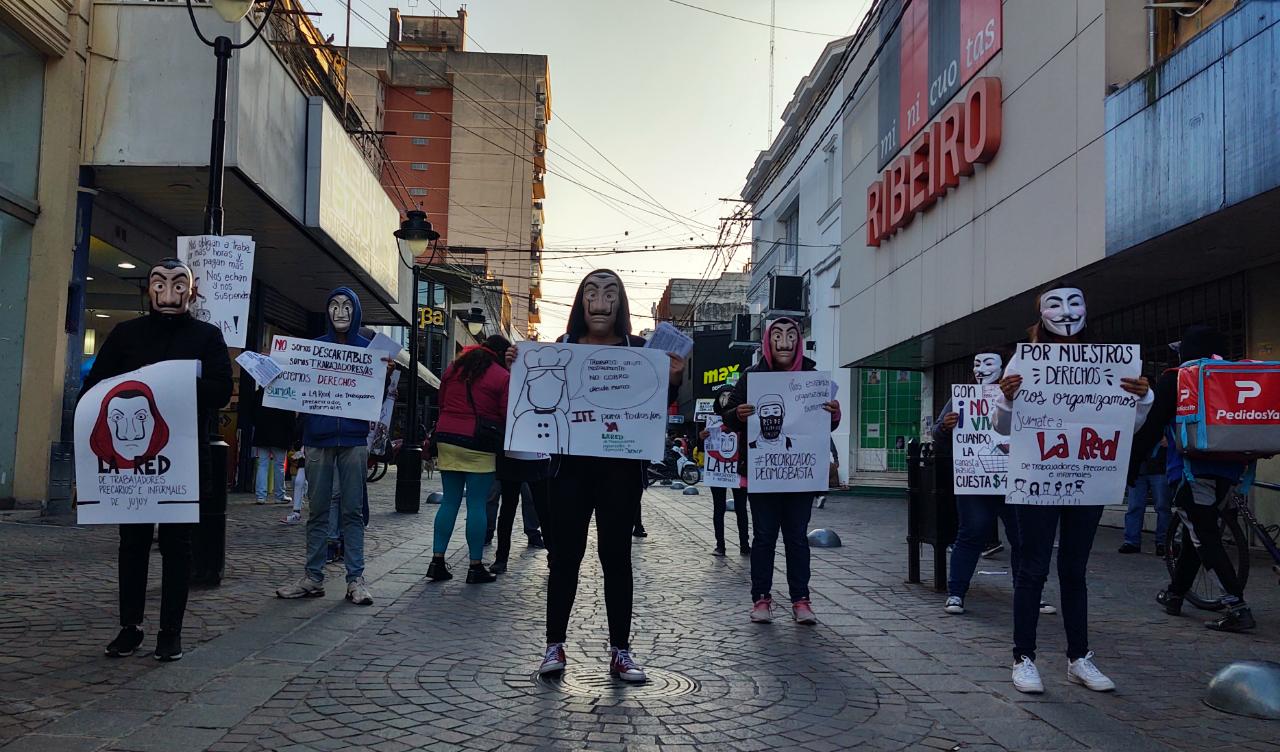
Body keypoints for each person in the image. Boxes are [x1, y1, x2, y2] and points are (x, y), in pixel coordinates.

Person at [996, 283, 1150, 694]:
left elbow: (1126, 427)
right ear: (1042, 313)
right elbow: (1004, 428)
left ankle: (1078, 658)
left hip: (1086, 478)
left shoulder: (1109, 363)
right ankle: (1023, 657)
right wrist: (1007, 401)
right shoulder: (1023, 361)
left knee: (1075, 571)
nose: (1066, 311)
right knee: (1032, 569)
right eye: (1056, 304)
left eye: (1075, 301)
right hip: (1039, 479)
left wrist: (1145, 397)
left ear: (1087, 308)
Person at [535, 269, 684, 683]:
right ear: (581, 302)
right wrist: (518, 364)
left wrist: (674, 377)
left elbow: (659, 401)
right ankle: (554, 644)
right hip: (568, 471)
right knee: (565, 558)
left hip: (620, 472)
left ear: (621, 303)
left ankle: (621, 650)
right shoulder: (562, 347)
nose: (601, 301)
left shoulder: (642, 350)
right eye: (592, 292)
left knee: (616, 558)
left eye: (610, 292)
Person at [88, 258, 234, 662]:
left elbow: (222, 390)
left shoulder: (207, 336)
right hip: (131, 463)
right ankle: (130, 627)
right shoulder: (124, 334)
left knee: (177, 546)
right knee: (132, 543)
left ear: (192, 290)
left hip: (183, 458)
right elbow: (94, 387)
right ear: (148, 289)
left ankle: (171, 631)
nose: (169, 293)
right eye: (159, 283)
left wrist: (177, 382)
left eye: (178, 284)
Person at [1132, 326, 1256, 632]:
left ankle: (1236, 606)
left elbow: (1151, 427)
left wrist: (1131, 465)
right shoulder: (1231, 379)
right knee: (1196, 535)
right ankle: (1175, 594)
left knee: (1203, 536)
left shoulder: (1177, 378)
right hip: (1231, 472)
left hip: (1191, 472)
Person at [720, 317, 840, 626]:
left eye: (790, 336)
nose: (784, 342)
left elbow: (824, 424)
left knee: (797, 538)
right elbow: (729, 415)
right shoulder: (751, 377)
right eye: (777, 335)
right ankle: (761, 598)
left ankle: (801, 600)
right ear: (768, 342)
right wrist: (739, 413)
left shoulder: (812, 378)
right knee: (764, 537)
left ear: (799, 341)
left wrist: (835, 415)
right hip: (762, 474)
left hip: (800, 475)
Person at [275, 287, 383, 606]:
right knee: (318, 509)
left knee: (352, 510)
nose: (339, 312)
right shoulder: (313, 349)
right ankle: (313, 577)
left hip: (352, 439)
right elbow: (291, 387)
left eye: (346, 306)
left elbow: (378, 398)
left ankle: (356, 579)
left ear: (356, 312)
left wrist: (384, 374)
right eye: (333, 306)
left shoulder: (370, 352)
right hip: (318, 439)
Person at [934, 350, 1057, 616]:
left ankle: (1029, 594)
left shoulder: (1023, 394)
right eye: (976, 363)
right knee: (970, 534)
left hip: (1015, 479)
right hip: (976, 480)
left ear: (1003, 368)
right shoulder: (962, 398)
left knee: (1022, 539)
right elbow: (937, 432)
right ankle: (956, 593)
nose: (981, 369)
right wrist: (945, 426)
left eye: (988, 363)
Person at [425, 334, 511, 584]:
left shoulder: (455, 368)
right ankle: (475, 566)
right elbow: (506, 414)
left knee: (449, 501)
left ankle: (437, 561)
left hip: (447, 438)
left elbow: (441, 402)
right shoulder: (502, 376)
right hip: (479, 443)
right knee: (476, 504)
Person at [702, 386, 749, 556]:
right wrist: (702, 437)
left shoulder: (743, 418)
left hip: (739, 469)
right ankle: (720, 545)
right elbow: (703, 447)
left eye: (730, 396)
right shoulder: (712, 420)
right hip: (718, 470)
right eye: (723, 396)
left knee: (742, 508)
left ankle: (745, 544)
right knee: (718, 508)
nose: (726, 399)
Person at [490, 453, 550, 574]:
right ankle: (501, 557)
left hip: (534, 458)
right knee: (508, 510)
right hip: (515, 457)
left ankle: (553, 555)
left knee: (543, 510)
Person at [1120, 436, 1171, 555]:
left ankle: (1133, 541)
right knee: (1159, 507)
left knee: (1140, 506)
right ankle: (1162, 542)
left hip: (1151, 464)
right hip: (1149, 464)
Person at [251, 380, 295, 504]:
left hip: (262, 433)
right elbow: (290, 417)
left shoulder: (259, 393)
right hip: (280, 434)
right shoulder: (284, 393)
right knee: (279, 465)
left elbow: (252, 413)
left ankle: (261, 496)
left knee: (262, 464)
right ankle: (279, 495)